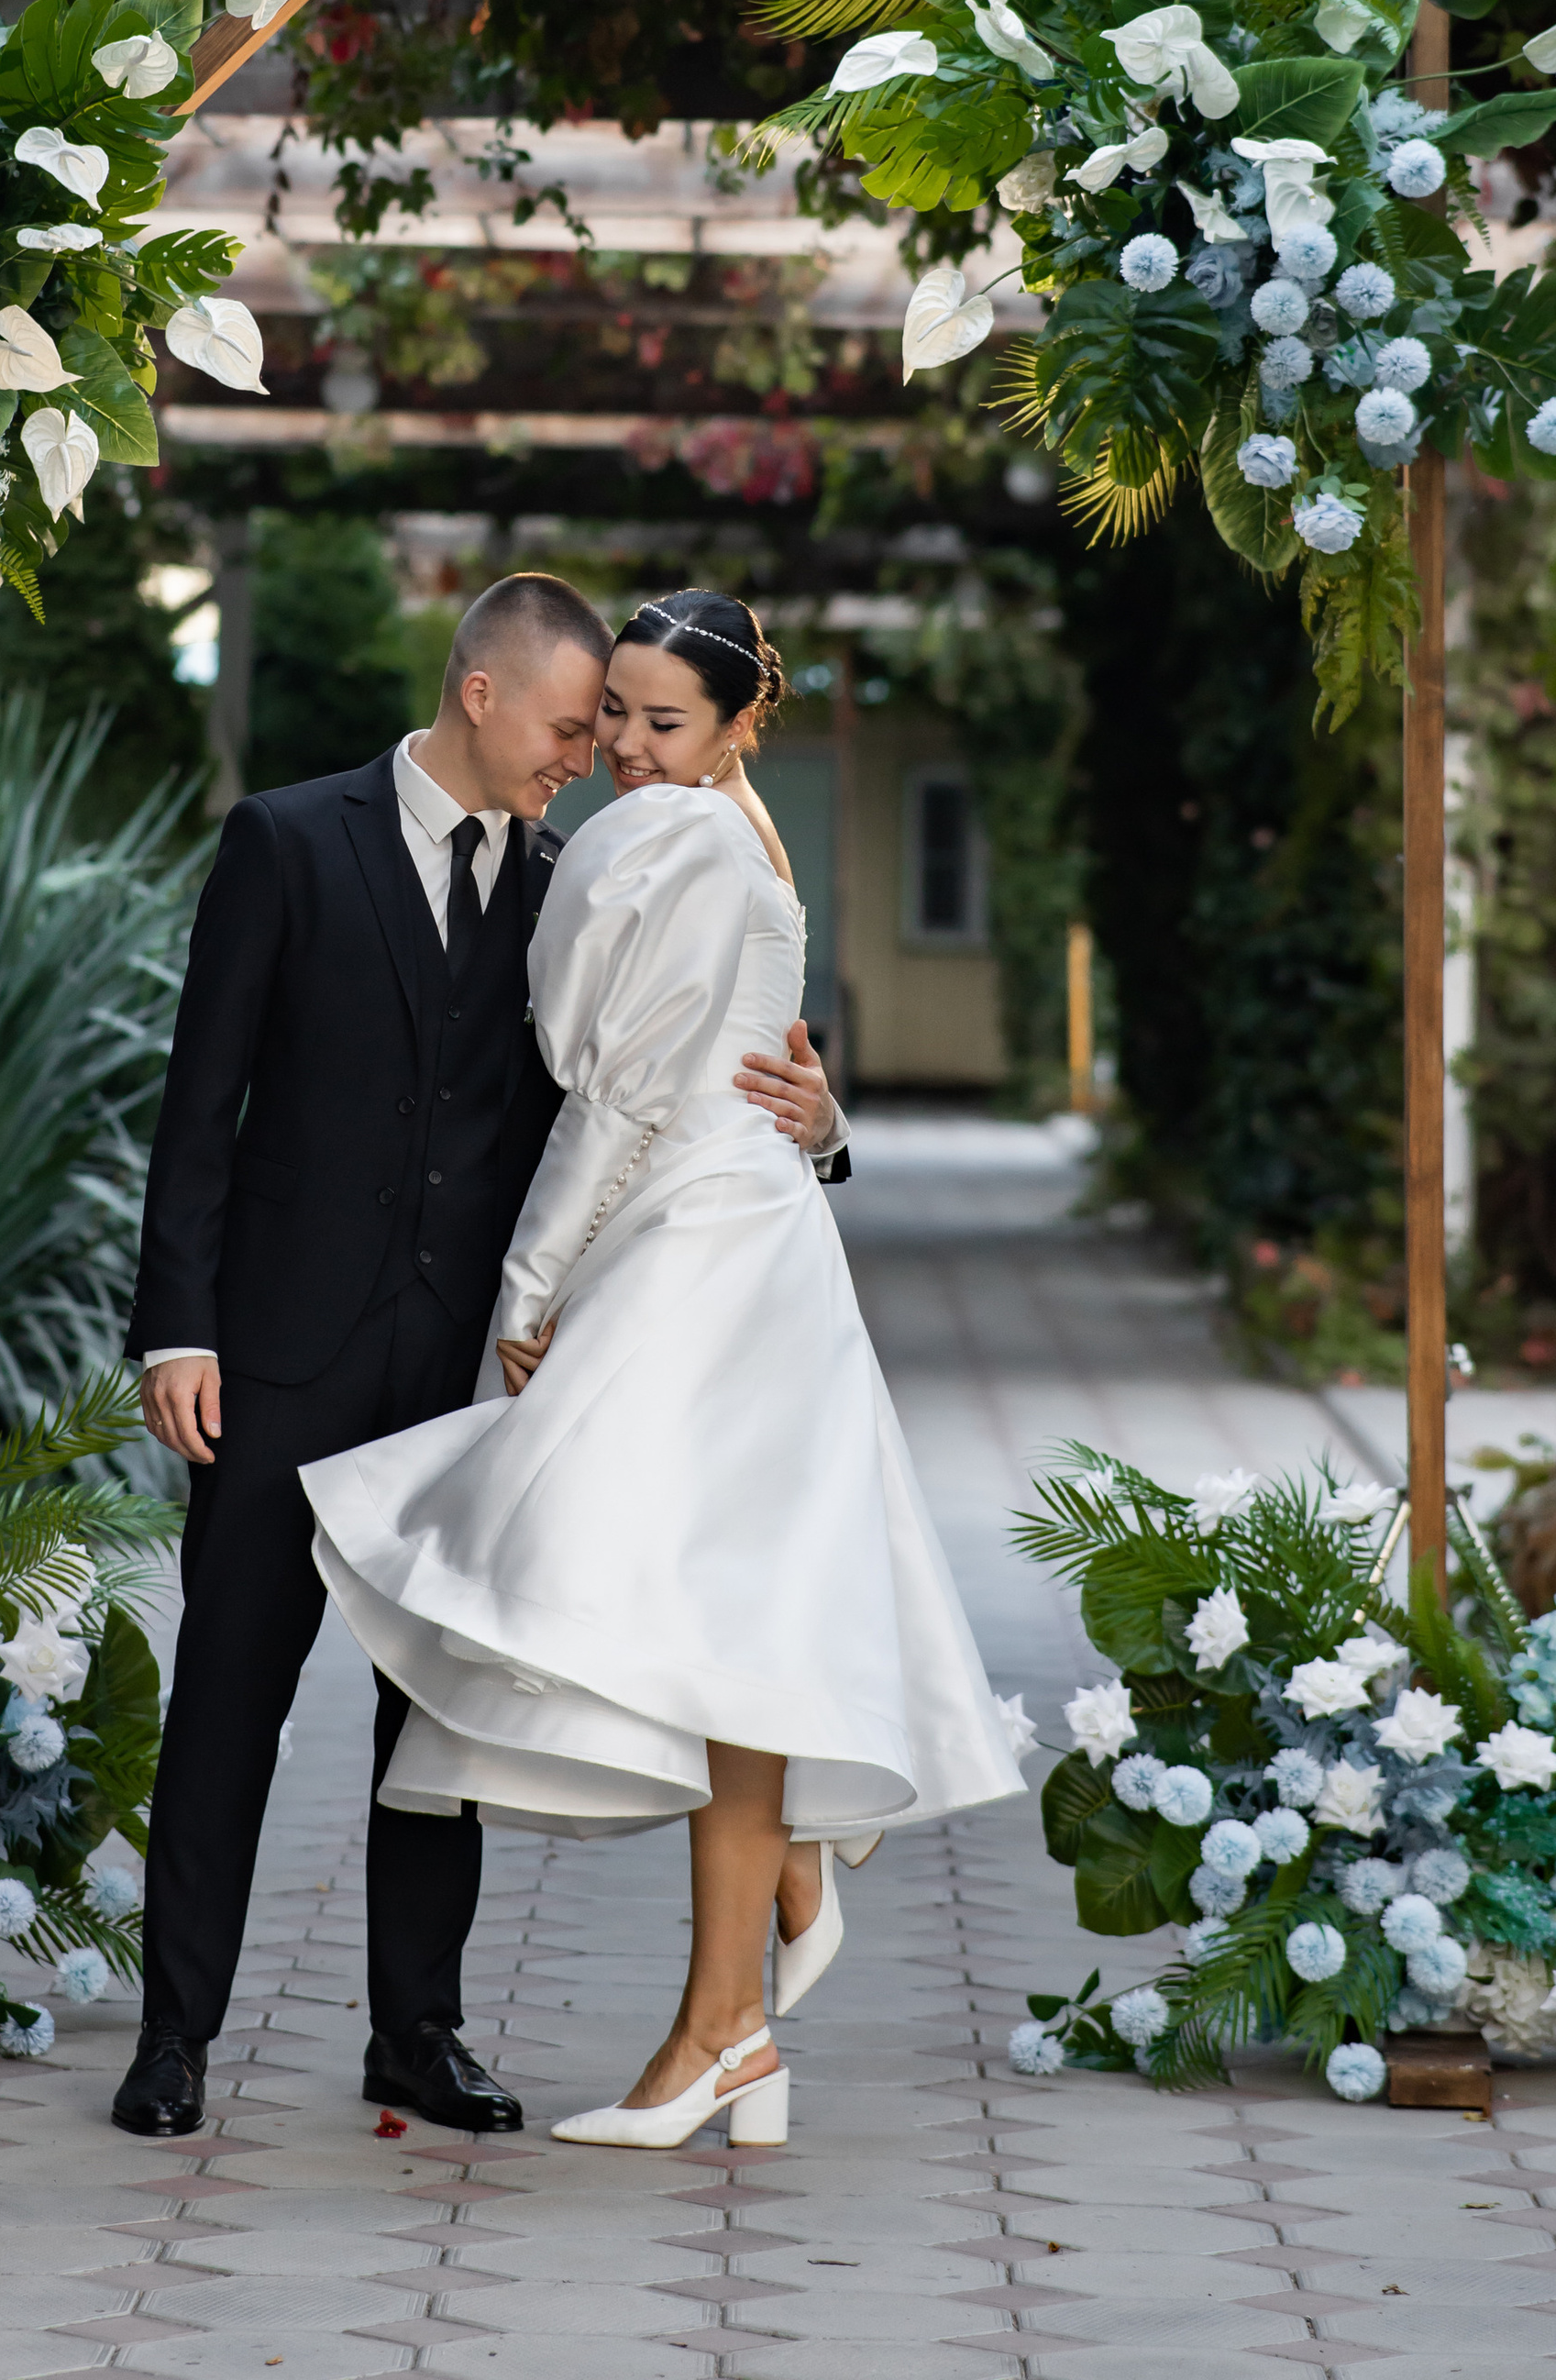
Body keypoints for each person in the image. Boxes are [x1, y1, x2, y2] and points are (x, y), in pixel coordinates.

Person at [114, 571, 850, 2144]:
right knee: (228, 1698)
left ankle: (418, 2034)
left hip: (466, 1369)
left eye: (619, 732)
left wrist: (821, 1133)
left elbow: (658, 1093)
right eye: (576, 727)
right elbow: (201, 1106)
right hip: (274, 1357)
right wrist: (176, 1324)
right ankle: (174, 2036)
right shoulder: (286, 841)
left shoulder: (574, 881)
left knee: (430, 1724)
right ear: (483, 694)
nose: (589, 760)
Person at [304, 588, 1025, 2153]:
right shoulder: (748, 842)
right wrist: (822, 1131)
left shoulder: (674, 843)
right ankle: (753, 1973)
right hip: (736, 1233)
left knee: (595, 1561)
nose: (625, 745)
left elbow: (621, 1099)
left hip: (692, 1247)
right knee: (722, 1606)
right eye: (612, 712)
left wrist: (528, 1280)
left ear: (738, 724)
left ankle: (733, 2005)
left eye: (661, 721)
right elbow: (755, 1070)